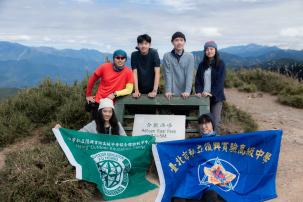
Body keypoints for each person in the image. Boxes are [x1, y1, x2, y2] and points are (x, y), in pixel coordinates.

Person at [85, 49, 134, 119]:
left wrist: (115, 94)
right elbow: (92, 79)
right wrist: (88, 95)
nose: (120, 60)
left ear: (125, 60)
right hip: (99, 102)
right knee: (94, 126)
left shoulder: (128, 72)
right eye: (117, 58)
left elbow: (129, 90)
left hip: (113, 104)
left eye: (122, 58)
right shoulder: (104, 67)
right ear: (114, 59)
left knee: (109, 127)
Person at [195, 41, 226, 132]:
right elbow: (198, 80)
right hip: (204, 97)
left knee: (215, 122)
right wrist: (199, 92)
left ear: (215, 50)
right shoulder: (202, 65)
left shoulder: (221, 64)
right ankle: (204, 143)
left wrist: (211, 93)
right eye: (207, 49)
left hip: (216, 97)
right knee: (204, 123)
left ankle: (216, 143)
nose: (209, 51)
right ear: (205, 51)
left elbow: (220, 82)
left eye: (211, 49)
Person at [55, 98, 126, 136]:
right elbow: (78, 135)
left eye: (110, 111)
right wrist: (62, 131)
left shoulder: (117, 125)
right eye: (105, 111)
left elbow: (125, 141)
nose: (107, 114)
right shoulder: (93, 125)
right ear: (100, 112)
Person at [163, 31, 195, 100]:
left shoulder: (190, 56)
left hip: (186, 93)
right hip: (171, 93)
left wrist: (187, 91)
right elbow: (167, 74)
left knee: (185, 110)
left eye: (181, 40)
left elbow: (189, 75)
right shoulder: (167, 56)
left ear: (184, 42)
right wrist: (168, 90)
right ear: (172, 42)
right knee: (171, 110)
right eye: (176, 40)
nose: (179, 42)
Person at [131, 34, 161, 98]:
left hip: (152, 88)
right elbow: (134, 72)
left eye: (146, 43)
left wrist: (154, 91)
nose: (143, 46)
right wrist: (136, 90)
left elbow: (157, 72)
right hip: (139, 88)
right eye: (141, 43)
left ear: (149, 45)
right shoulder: (134, 55)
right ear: (138, 45)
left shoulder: (154, 53)